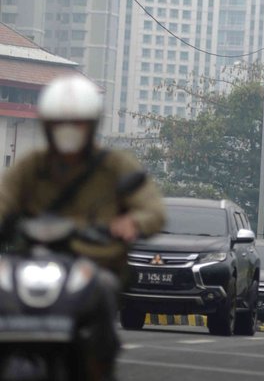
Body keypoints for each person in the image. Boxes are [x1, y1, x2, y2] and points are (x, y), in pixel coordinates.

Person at [0, 75, 166, 380]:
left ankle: (97, 371)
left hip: (94, 262)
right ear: (47, 125)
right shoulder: (31, 166)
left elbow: (152, 209)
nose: (68, 132)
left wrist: (132, 222)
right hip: (33, 260)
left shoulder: (116, 165)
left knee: (102, 291)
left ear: (91, 125)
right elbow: (4, 200)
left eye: (76, 123)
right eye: (60, 123)